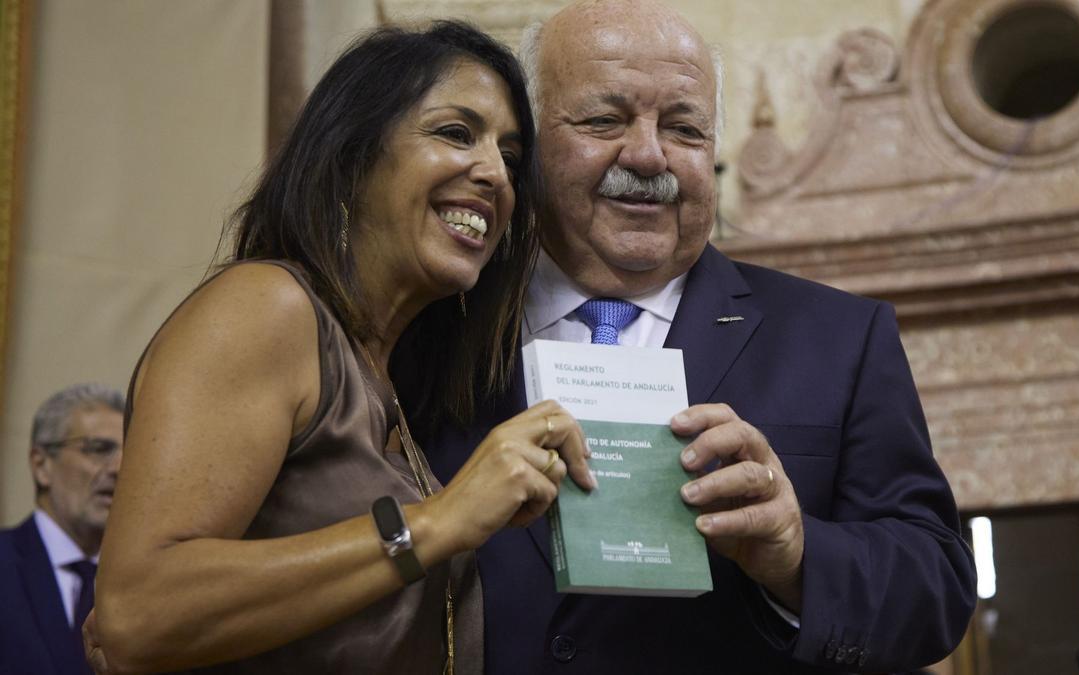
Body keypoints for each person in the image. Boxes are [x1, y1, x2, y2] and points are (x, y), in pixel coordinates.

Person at [395, 1, 977, 673]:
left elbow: (935, 584)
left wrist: (796, 553)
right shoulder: (435, 326)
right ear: (526, 149)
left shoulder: (839, 340)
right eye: (604, 120)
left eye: (685, 128)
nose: (647, 154)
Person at [88, 22, 591, 675]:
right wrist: (438, 522)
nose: (495, 172)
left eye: (511, 157)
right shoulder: (269, 307)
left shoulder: (388, 379)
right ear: (353, 154)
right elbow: (137, 613)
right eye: (454, 132)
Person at [0, 383, 124, 675]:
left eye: (128, 453)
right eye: (99, 449)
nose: (119, 467)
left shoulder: (140, 584)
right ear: (41, 464)